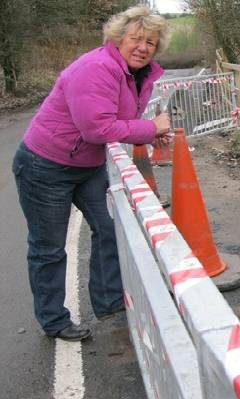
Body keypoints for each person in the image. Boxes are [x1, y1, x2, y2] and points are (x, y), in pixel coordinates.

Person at [12, 5, 172, 341]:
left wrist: (148, 130)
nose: (143, 47)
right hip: (45, 165)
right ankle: (54, 319)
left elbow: (119, 119)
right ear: (119, 38)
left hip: (86, 166)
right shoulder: (97, 67)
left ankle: (109, 300)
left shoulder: (135, 73)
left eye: (151, 43)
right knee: (49, 248)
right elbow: (97, 128)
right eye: (137, 39)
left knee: (111, 227)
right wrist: (148, 127)